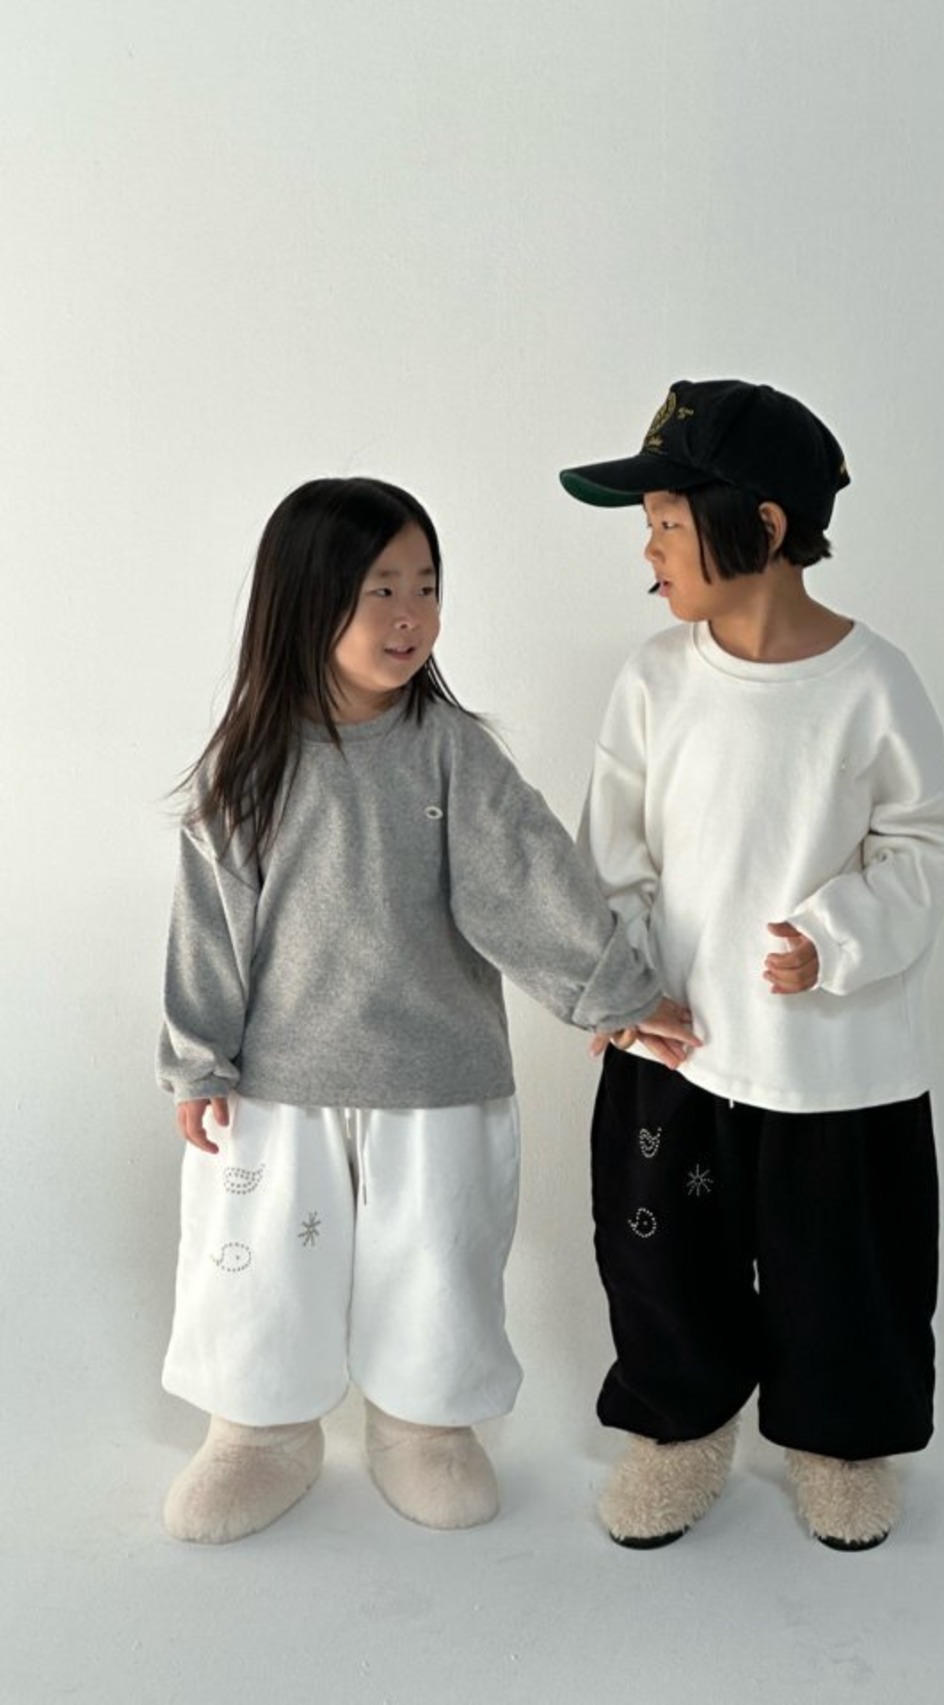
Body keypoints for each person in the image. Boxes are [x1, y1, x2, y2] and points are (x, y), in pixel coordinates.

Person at [157, 476, 698, 1545]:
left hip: (438, 1075)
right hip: (279, 1087)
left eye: (428, 586)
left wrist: (617, 993)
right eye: (382, 590)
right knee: (263, 1269)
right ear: (306, 601)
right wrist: (197, 1058)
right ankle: (260, 1429)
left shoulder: (451, 750)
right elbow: (208, 920)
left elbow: (525, 881)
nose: (411, 616)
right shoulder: (250, 765)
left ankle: (422, 1424)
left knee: (436, 1262)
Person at [559, 379, 944, 1549]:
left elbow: (929, 838)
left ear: (765, 525)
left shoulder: (870, 683)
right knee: (661, 1263)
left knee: (841, 1270)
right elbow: (612, 854)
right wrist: (620, 984)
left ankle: (838, 1443)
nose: (647, 550)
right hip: (677, 1044)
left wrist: (834, 937)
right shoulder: (654, 678)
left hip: (833, 1062)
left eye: (664, 522)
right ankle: (679, 1430)